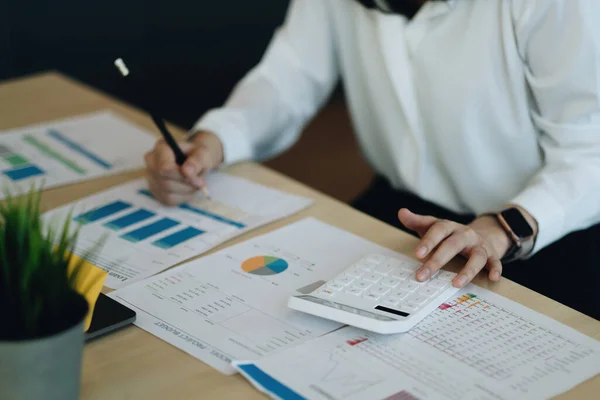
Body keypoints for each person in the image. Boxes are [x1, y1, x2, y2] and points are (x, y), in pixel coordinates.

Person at [144, 0, 600, 318]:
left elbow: (591, 152)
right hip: (403, 215)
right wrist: (213, 141)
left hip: (534, 233)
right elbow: (290, 76)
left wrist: (500, 231)